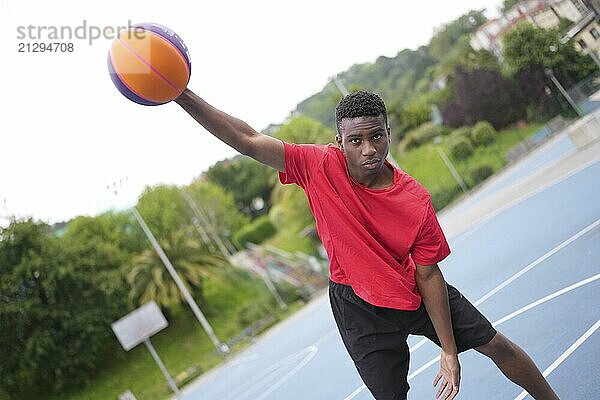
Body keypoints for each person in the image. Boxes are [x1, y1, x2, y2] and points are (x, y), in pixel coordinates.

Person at [174, 89, 559, 400]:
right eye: (356, 140)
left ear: (388, 133)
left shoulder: (414, 200)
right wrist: (180, 94)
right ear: (339, 142)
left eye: (377, 136)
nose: (369, 148)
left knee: (498, 346)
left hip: (410, 289)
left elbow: (428, 275)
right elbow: (247, 139)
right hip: (356, 305)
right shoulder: (317, 166)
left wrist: (448, 350)